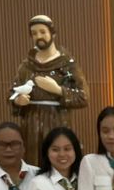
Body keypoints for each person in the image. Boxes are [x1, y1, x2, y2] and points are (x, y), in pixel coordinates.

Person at [11, 14, 90, 163]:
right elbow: (13, 93)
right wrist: (18, 101)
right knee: (34, 164)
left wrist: (58, 90)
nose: (39, 36)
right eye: (34, 33)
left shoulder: (66, 64)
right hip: (32, 126)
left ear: (53, 33)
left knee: (57, 161)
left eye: (42, 32)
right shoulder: (27, 66)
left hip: (58, 122)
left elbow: (83, 96)